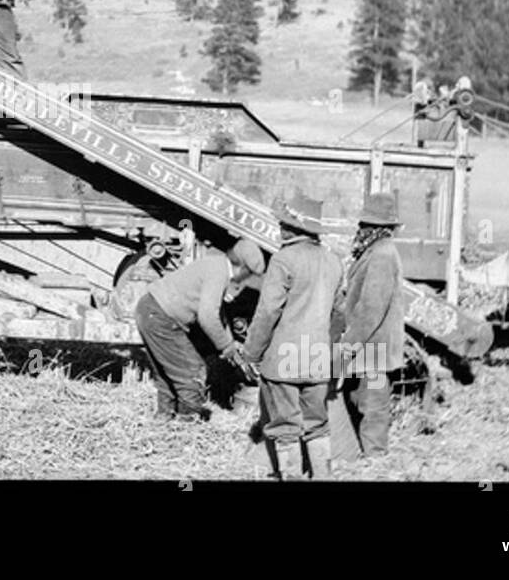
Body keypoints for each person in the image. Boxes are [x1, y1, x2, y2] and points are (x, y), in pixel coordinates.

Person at [242, 195, 344, 480]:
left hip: (285, 358)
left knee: (286, 427)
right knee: (317, 424)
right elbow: (340, 314)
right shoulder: (334, 261)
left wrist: (251, 353)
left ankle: (291, 477)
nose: (279, 227)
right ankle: (322, 476)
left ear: (292, 228)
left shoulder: (283, 259)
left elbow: (267, 312)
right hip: (318, 359)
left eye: (283, 223)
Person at [134, 237, 266, 421]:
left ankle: (164, 417)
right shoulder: (219, 273)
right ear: (242, 267)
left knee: (167, 371)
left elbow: (218, 314)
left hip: (150, 310)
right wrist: (227, 347)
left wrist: (231, 343)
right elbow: (208, 316)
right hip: (160, 317)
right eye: (249, 274)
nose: (246, 280)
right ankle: (186, 425)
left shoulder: (215, 265)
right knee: (192, 371)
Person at [337, 191, 406, 457]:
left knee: (374, 405)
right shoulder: (374, 252)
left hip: (374, 351)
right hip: (370, 350)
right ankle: (366, 452)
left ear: (378, 229)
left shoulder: (382, 255)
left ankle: (376, 458)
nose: (360, 229)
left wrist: (348, 345)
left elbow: (370, 309)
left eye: (366, 225)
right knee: (360, 399)